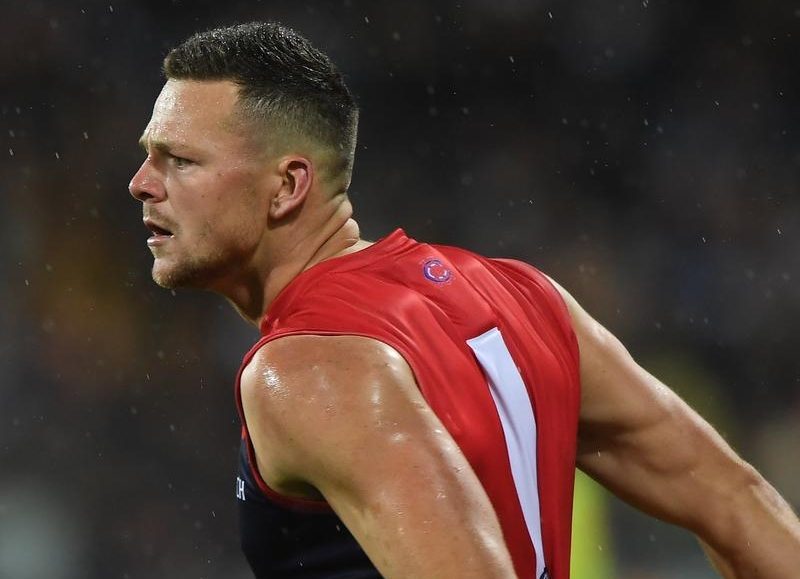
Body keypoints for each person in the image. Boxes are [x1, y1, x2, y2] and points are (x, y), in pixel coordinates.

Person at [129, 21, 800, 579]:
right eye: (149, 156)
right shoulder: (525, 297)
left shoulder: (308, 369)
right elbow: (738, 504)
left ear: (287, 186)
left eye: (179, 160)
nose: (141, 182)